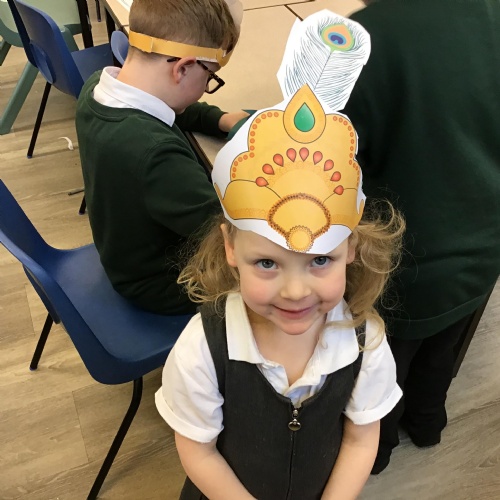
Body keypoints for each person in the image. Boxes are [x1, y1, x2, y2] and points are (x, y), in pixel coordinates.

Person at [155, 11, 406, 497]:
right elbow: (198, 451)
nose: (295, 291)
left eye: (320, 260)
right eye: (267, 263)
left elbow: (361, 439)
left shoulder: (365, 344)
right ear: (230, 248)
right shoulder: (204, 347)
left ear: (351, 250)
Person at [342, 0, 500, 474]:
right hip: (482, 251)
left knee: (383, 359)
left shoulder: (364, 38)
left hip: (395, 262)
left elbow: (328, 158)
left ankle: (379, 448)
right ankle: (428, 422)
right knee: (441, 346)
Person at [75, 0, 248, 315]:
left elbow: (166, 107)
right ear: (182, 68)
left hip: (125, 253)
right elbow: (226, 230)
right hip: (164, 282)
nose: (205, 88)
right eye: (209, 78)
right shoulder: (156, 154)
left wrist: (220, 120)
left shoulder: (97, 89)